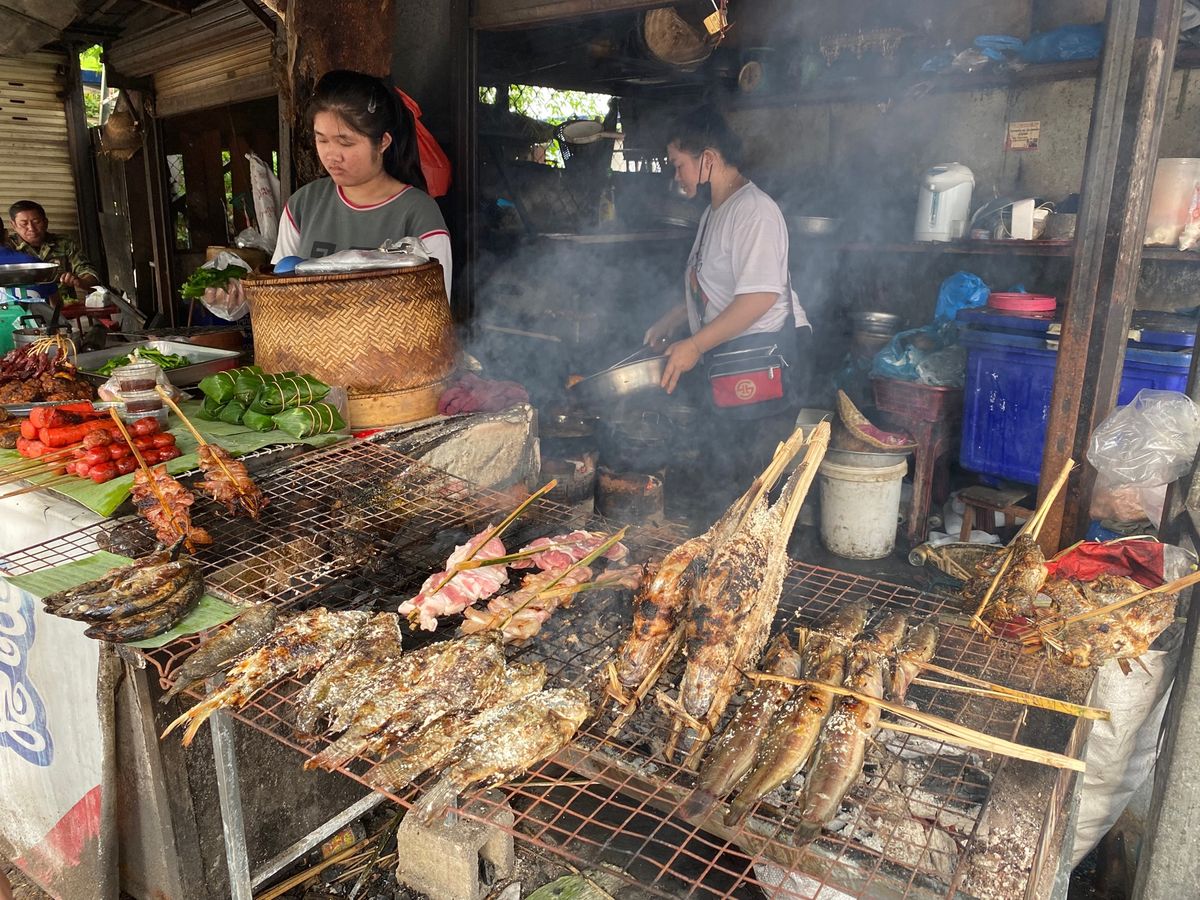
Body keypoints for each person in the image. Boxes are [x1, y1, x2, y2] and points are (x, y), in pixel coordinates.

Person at [643, 105, 812, 514]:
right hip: (732, 360)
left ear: (709, 160)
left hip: (763, 360)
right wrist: (672, 320)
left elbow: (759, 298)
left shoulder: (754, 212)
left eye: (678, 164)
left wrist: (695, 345)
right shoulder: (713, 211)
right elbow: (711, 286)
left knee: (753, 485)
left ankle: (751, 570)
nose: (676, 174)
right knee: (726, 477)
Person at [272, 70, 452, 298]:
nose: (331, 155)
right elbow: (275, 295)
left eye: (345, 142)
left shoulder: (418, 213)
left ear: (382, 142)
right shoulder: (303, 204)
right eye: (322, 139)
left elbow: (433, 308)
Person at [6, 200, 99, 299]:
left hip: (64, 308)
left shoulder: (64, 243)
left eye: (36, 222)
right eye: (24, 224)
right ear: (14, 225)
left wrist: (80, 282)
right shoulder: (7, 247)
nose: (31, 228)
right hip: (21, 307)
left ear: (46, 222)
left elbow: (88, 271)